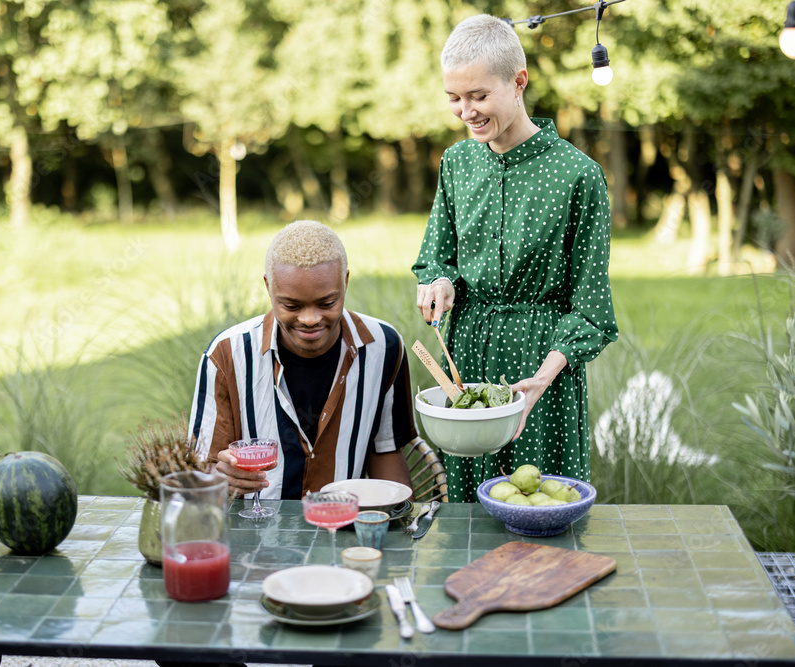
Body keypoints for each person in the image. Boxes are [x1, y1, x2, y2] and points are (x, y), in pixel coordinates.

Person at [412, 14, 618, 502]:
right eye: (454, 98)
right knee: (466, 518)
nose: (466, 111)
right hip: (467, 357)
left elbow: (590, 308)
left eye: (479, 96)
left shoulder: (578, 175)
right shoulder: (456, 163)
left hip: (541, 370)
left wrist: (542, 379)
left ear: (518, 82)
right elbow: (436, 257)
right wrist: (440, 281)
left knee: (539, 505)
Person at [189, 219, 416, 500]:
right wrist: (222, 478)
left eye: (326, 303)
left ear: (345, 282)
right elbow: (201, 472)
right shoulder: (226, 355)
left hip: (343, 532)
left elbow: (386, 450)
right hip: (256, 536)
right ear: (268, 286)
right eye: (291, 306)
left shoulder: (384, 347)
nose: (310, 319)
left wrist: (403, 523)